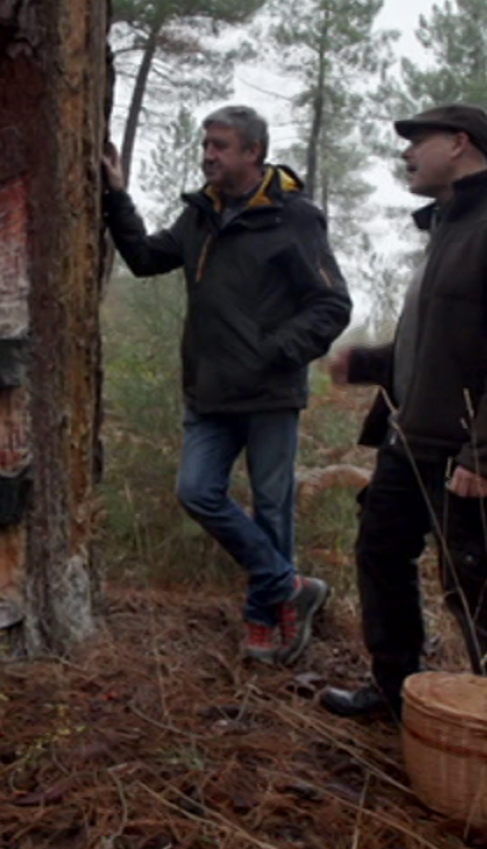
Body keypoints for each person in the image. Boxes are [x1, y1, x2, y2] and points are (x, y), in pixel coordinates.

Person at [318, 103, 487, 722]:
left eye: (417, 141)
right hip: (408, 439)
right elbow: (439, 344)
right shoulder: (448, 227)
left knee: (477, 583)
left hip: (465, 450)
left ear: (458, 143)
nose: (406, 154)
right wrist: (367, 363)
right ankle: (395, 693)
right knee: (380, 555)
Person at [100, 105, 352, 665]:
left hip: (269, 394)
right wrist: (116, 196)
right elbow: (145, 258)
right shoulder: (202, 214)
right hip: (209, 392)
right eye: (205, 144)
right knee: (197, 492)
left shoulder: (294, 217)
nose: (208, 155)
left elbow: (332, 304)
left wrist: (271, 353)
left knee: (272, 509)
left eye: (220, 146)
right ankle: (289, 587)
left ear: (253, 152)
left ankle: (264, 620)